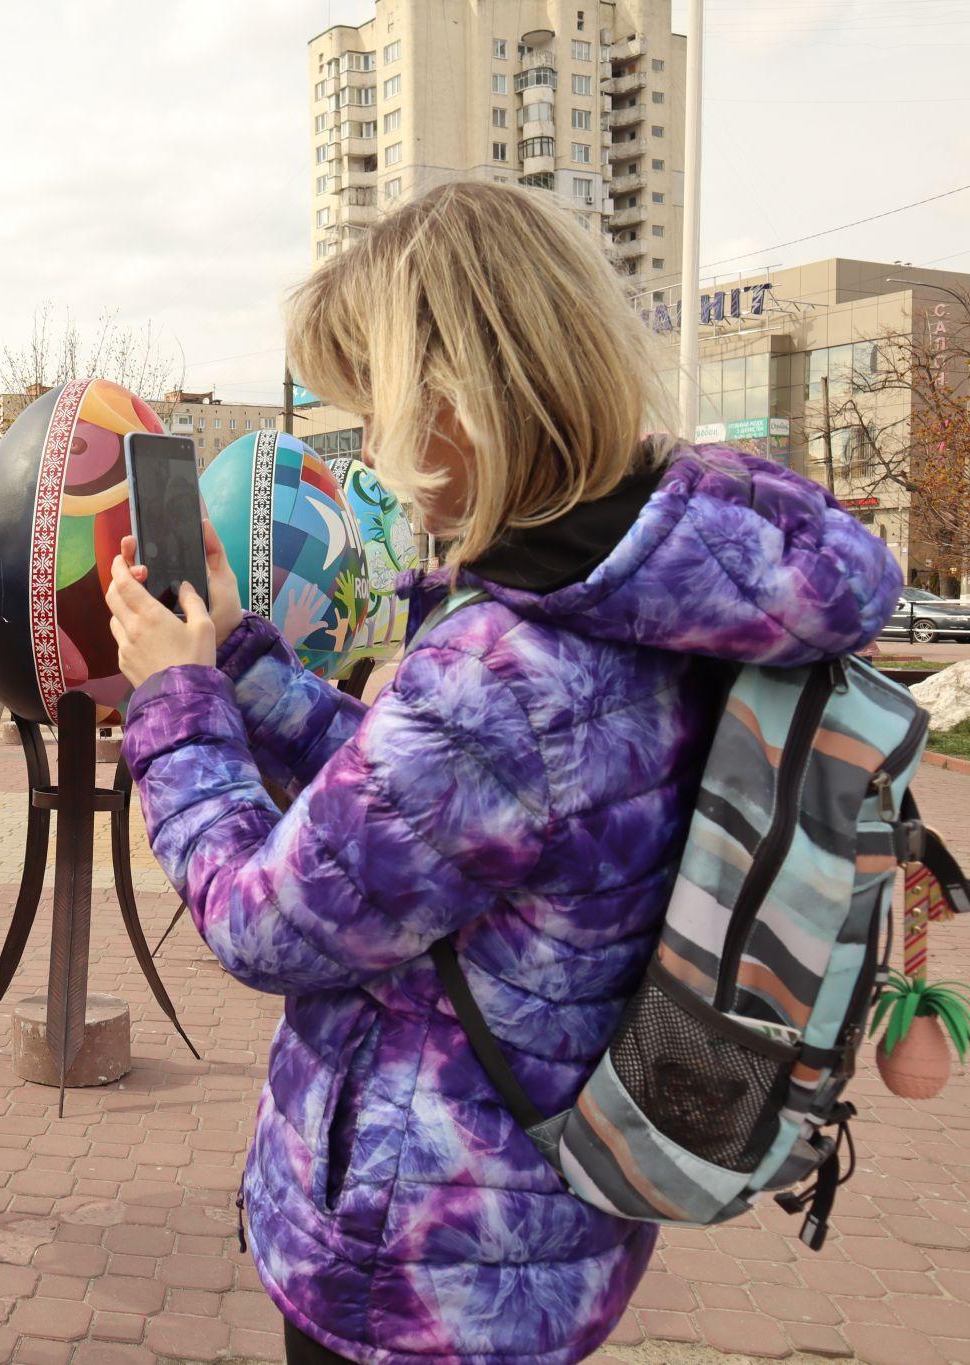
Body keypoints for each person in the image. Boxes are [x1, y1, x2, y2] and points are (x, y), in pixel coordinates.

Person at [104, 182, 899, 1365]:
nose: (370, 448)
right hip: (541, 1231)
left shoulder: (504, 671)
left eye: (371, 404)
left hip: (413, 1267)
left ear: (451, 405)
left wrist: (175, 706)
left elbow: (266, 923)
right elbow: (422, 817)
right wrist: (236, 659)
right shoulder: (662, 591)